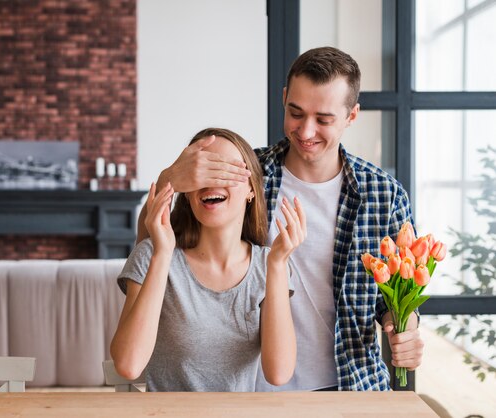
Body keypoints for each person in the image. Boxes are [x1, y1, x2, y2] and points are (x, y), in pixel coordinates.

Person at [136, 47, 424, 391]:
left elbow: (393, 299)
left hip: (352, 387)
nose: (305, 130)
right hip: (253, 390)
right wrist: (171, 177)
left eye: (324, 119)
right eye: (296, 112)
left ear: (352, 115)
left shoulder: (384, 194)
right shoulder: (246, 173)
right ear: (285, 98)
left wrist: (406, 329)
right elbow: (153, 244)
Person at [110, 127, 307, 391]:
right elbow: (128, 365)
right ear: (188, 192)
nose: (212, 181)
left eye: (226, 170)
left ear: (252, 189)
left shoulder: (268, 264)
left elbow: (279, 373)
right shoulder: (153, 254)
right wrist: (162, 253)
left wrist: (277, 265)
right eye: (201, 172)